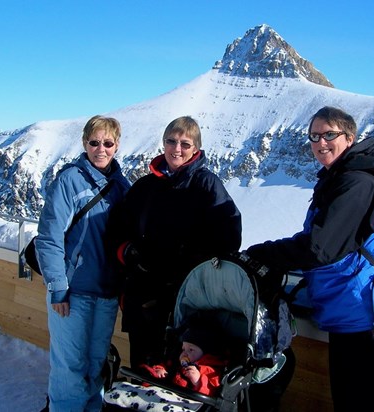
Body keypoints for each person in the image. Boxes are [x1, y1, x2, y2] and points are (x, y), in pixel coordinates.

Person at [245, 106, 374, 411]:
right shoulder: (339, 179)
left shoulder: (356, 184)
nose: (320, 142)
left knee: (358, 402)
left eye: (329, 134)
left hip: (364, 314)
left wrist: (262, 253)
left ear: (350, 137)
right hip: (348, 310)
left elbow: (319, 248)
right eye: (314, 136)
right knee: (351, 400)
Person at [107, 115, 242, 368]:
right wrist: (128, 252)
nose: (177, 149)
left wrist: (196, 262)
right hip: (145, 298)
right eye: (171, 141)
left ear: (196, 150)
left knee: (178, 376)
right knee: (144, 368)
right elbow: (117, 227)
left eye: (185, 143)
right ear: (163, 144)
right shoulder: (146, 187)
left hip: (187, 303)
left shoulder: (207, 186)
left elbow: (229, 236)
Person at [35, 115, 131, 411]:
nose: (100, 149)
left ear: (116, 146)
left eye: (107, 143)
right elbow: (49, 238)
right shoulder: (70, 180)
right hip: (73, 294)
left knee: (95, 367)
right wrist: (58, 289)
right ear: (84, 143)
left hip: (106, 295)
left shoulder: (121, 186)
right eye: (94, 142)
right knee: (69, 371)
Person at [142, 325, 229, 396]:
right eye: (183, 349)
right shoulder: (176, 362)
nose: (185, 353)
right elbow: (167, 366)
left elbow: (212, 392)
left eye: (191, 350)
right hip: (165, 394)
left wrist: (198, 381)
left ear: (205, 354)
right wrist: (160, 371)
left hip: (187, 402)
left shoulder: (210, 370)